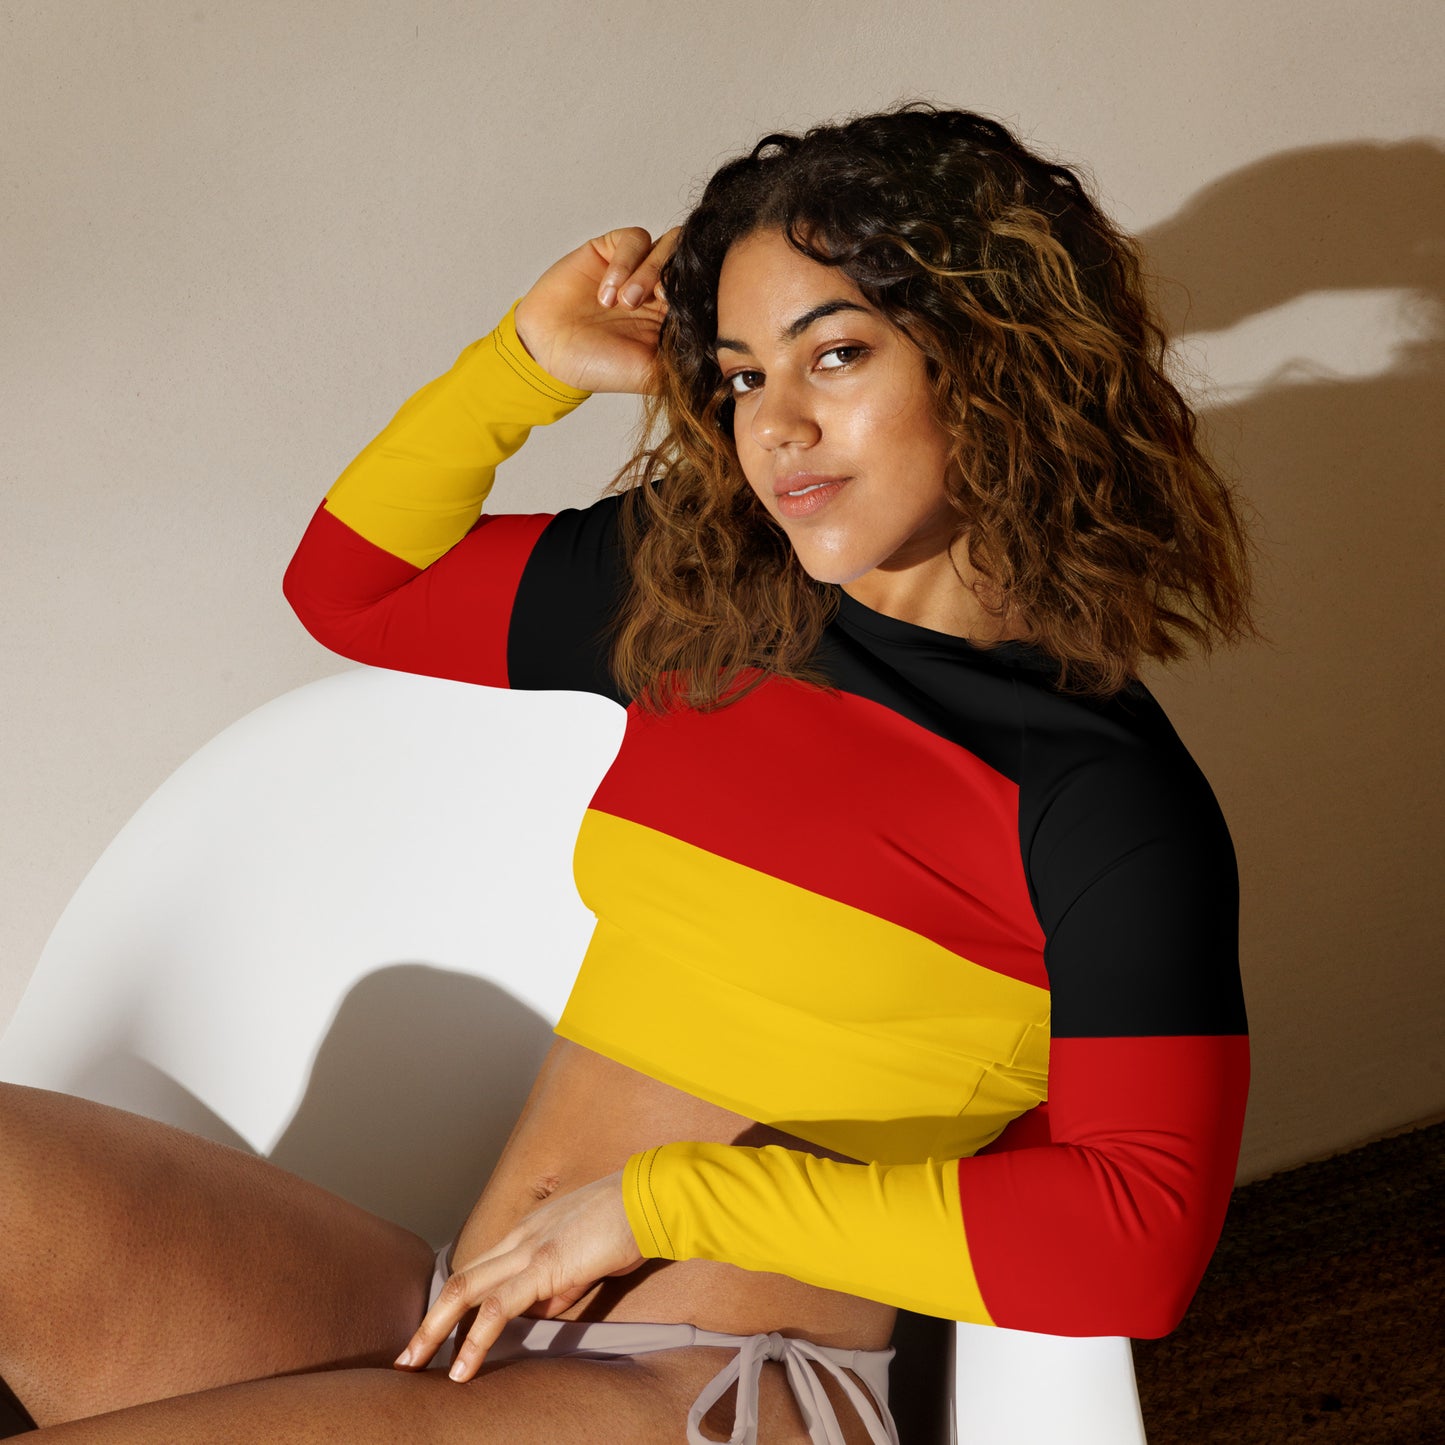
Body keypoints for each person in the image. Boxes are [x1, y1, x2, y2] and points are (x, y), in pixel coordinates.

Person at [0, 101, 1255, 1442]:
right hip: (467, 1315)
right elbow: (355, 589)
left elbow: (1135, 1244)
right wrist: (523, 363)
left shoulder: (1099, 798)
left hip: (715, 1387)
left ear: (995, 359)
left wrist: (663, 1202)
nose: (776, 426)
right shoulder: (705, 599)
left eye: (834, 355)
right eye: (742, 376)